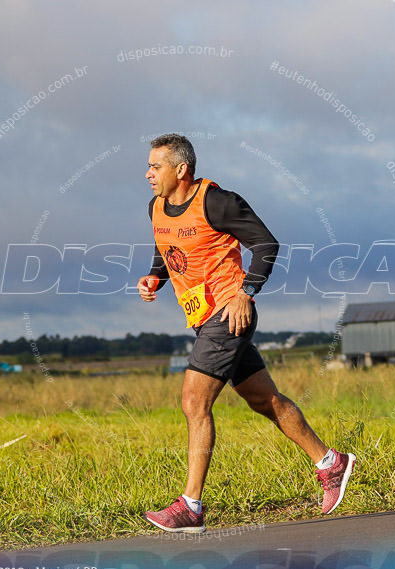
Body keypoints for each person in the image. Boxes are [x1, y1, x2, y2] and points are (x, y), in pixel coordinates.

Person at [136, 133, 356, 533]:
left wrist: (245, 292)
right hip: (205, 318)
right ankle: (330, 462)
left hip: (229, 313)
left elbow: (266, 245)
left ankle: (191, 506)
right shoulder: (156, 207)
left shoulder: (218, 202)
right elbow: (167, 248)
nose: (148, 173)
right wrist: (154, 277)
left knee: (193, 401)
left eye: (156, 166)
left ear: (181, 169)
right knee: (264, 399)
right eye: (149, 166)